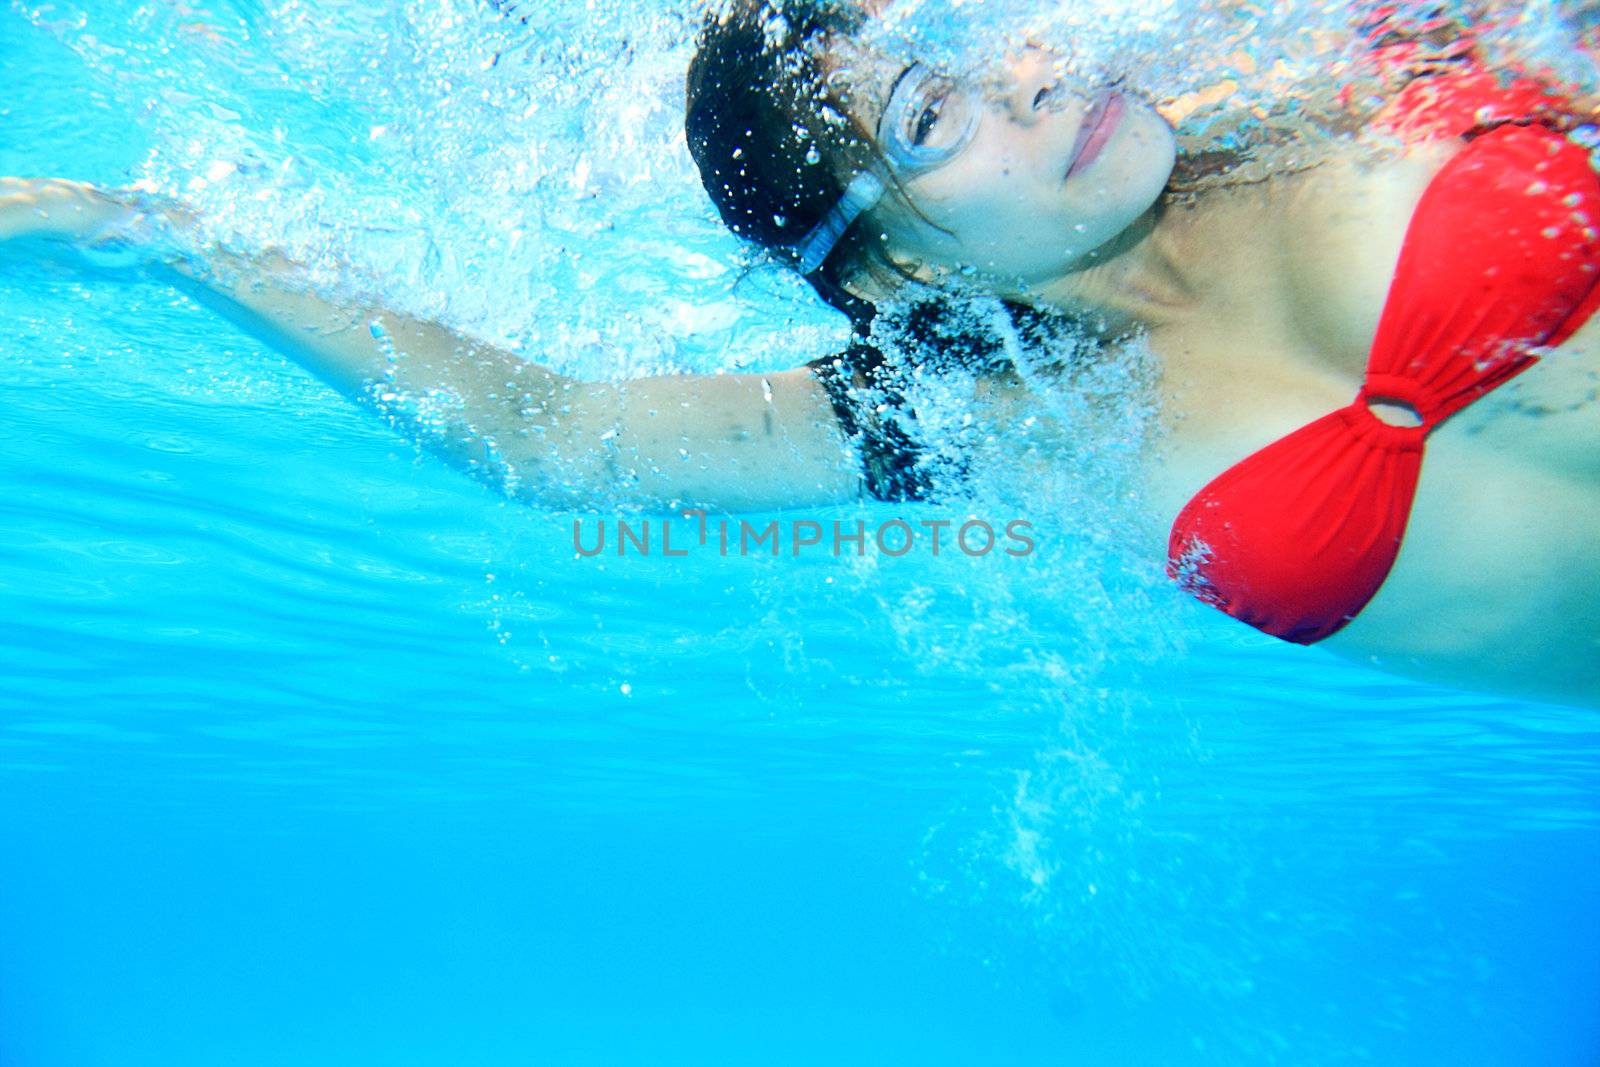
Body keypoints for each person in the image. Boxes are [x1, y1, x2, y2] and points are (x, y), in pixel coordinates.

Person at [1, 0, 1596, 706]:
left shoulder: (1304, 69)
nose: (1028, 83)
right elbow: (555, 435)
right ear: (899, 256)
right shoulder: (1001, 411)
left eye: (972, 50)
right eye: (931, 115)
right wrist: (156, 234)